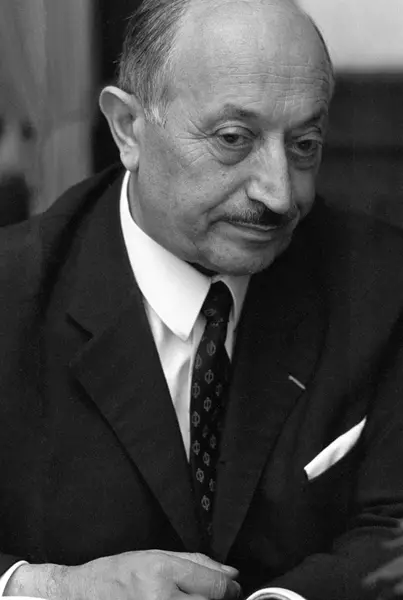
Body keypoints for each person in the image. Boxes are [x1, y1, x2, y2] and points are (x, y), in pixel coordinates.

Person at [1, 0, 403, 599]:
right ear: (128, 128)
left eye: (305, 144)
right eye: (233, 139)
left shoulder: (382, 283)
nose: (278, 193)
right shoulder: (13, 292)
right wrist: (49, 587)